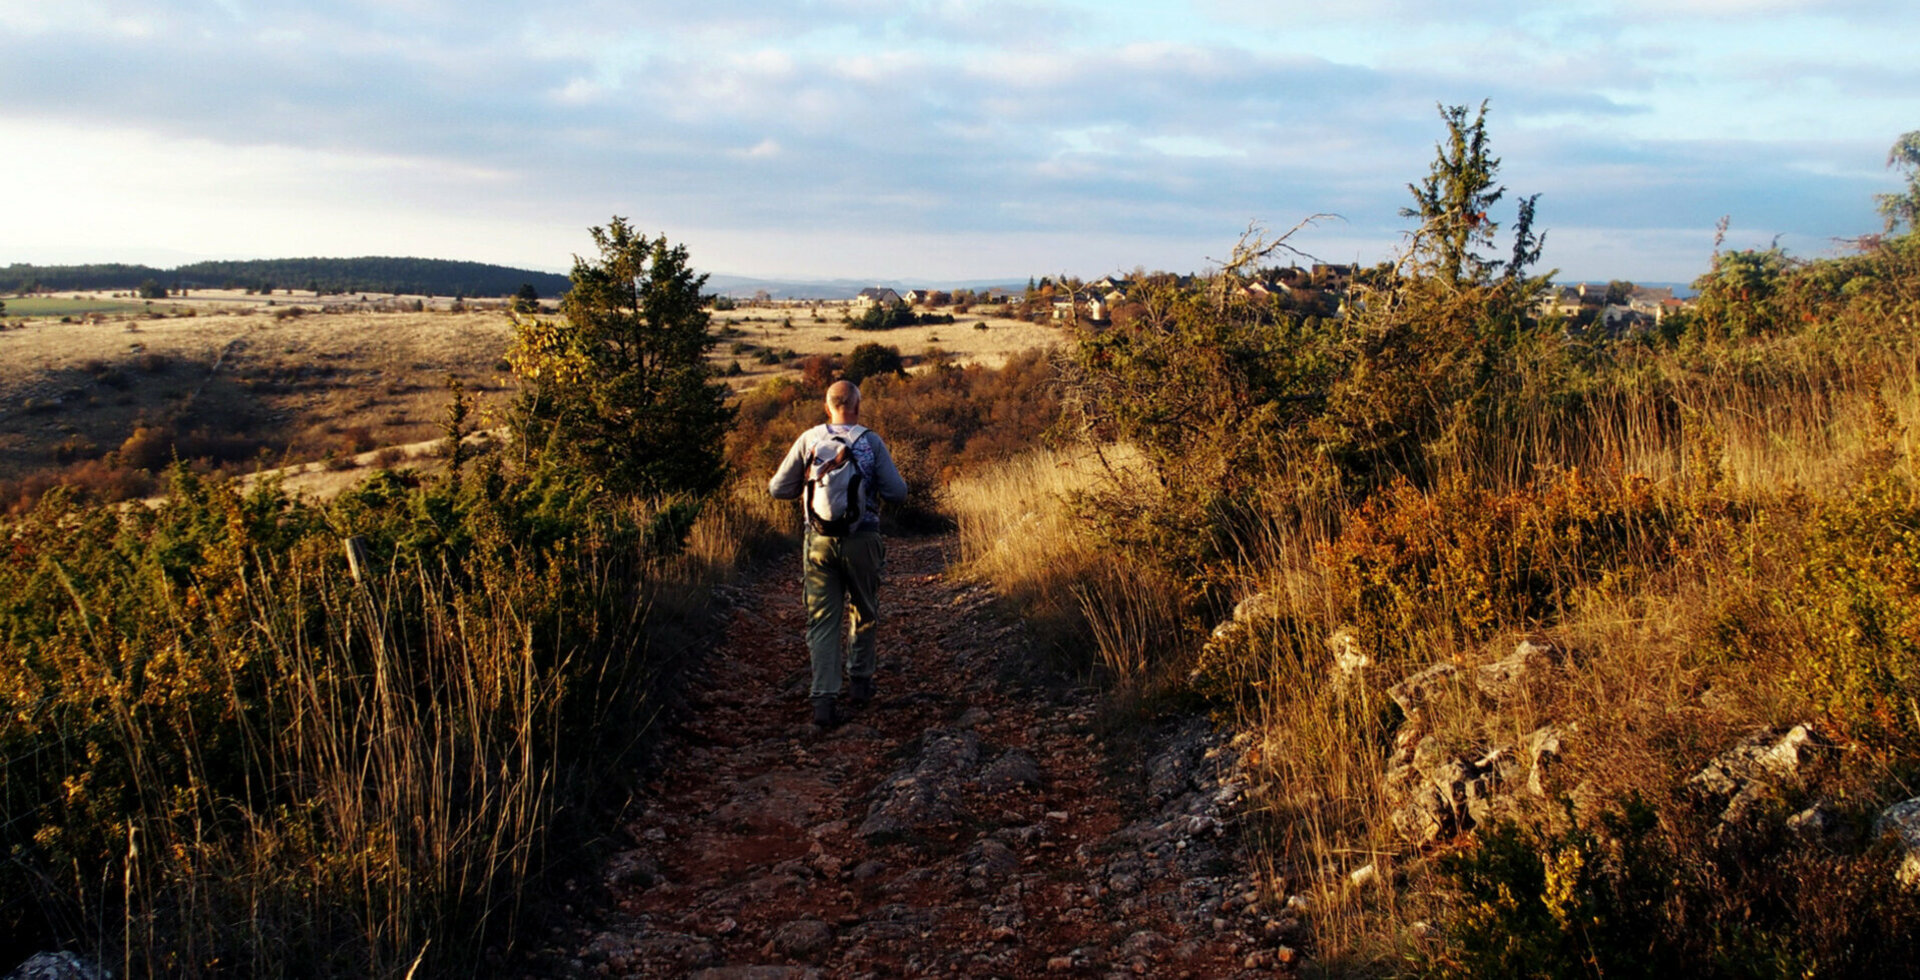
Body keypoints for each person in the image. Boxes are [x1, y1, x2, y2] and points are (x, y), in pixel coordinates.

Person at [768, 380, 909, 728]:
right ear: (858, 406)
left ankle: (823, 701)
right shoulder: (870, 441)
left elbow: (777, 489)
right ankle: (860, 683)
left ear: (826, 406)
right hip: (863, 539)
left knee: (823, 619)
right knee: (864, 608)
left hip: (817, 542)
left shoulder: (810, 439)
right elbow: (897, 492)